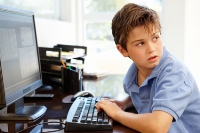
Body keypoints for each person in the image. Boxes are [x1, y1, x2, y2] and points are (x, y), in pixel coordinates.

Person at [95, 3, 200, 133]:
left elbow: (158, 127)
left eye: (155, 38)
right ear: (122, 50)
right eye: (140, 43)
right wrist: (124, 103)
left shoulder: (175, 73)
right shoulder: (133, 74)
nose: (151, 49)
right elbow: (144, 95)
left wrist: (117, 114)